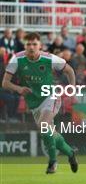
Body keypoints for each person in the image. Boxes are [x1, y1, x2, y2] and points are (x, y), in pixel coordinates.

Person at [2, 32, 79, 174]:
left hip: (50, 96)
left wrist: (72, 89)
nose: (31, 47)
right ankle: (70, 153)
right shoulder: (17, 59)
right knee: (48, 132)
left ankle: (52, 162)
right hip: (34, 103)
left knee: (44, 125)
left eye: (34, 44)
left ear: (40, 46)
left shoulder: (49, 58)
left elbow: (69, 70)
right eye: (28, 44)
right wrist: (18, 88)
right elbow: (5, 83)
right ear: (24, 45)